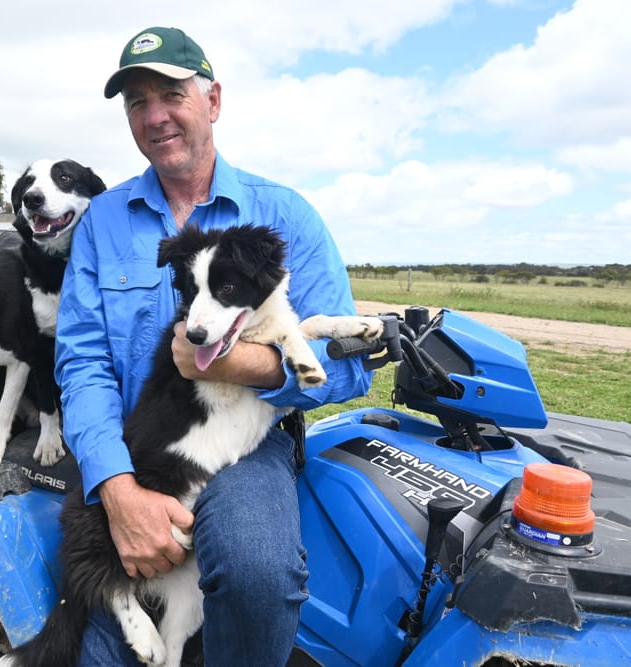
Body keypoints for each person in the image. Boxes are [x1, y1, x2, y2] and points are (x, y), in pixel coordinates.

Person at [54, 26, 374, 666]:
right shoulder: (104, 223)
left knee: (257, 567)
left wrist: (246, 363)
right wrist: (117, 489)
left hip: (249, 441)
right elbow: (82, 363)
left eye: (171, 93)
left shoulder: (284, 216)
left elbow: (349, 371)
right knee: (98, 653)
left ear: (213, 100)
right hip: (140, 440)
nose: (155, 116)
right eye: (137, 102)